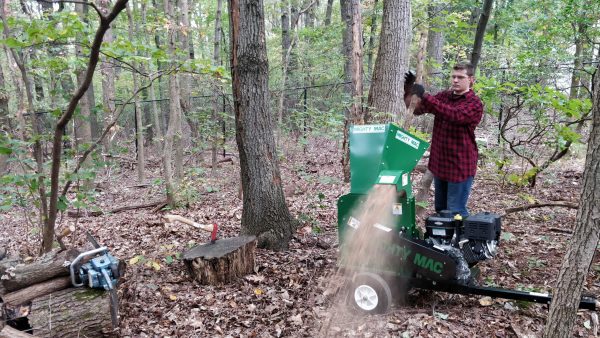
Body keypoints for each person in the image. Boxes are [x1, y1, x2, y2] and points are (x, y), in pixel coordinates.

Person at [405, 62, 483, 217]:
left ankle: (461, 240)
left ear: (471, 80)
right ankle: (442, 240)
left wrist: (425, 96)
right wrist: (408, 90)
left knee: (456, 211)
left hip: (460, 165)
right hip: (440, 164)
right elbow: (417, 110)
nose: (455, 80)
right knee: (441, 210)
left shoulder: (474, 103)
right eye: (453, 76)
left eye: (460, 77)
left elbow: (454, 115)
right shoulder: (444, 96)